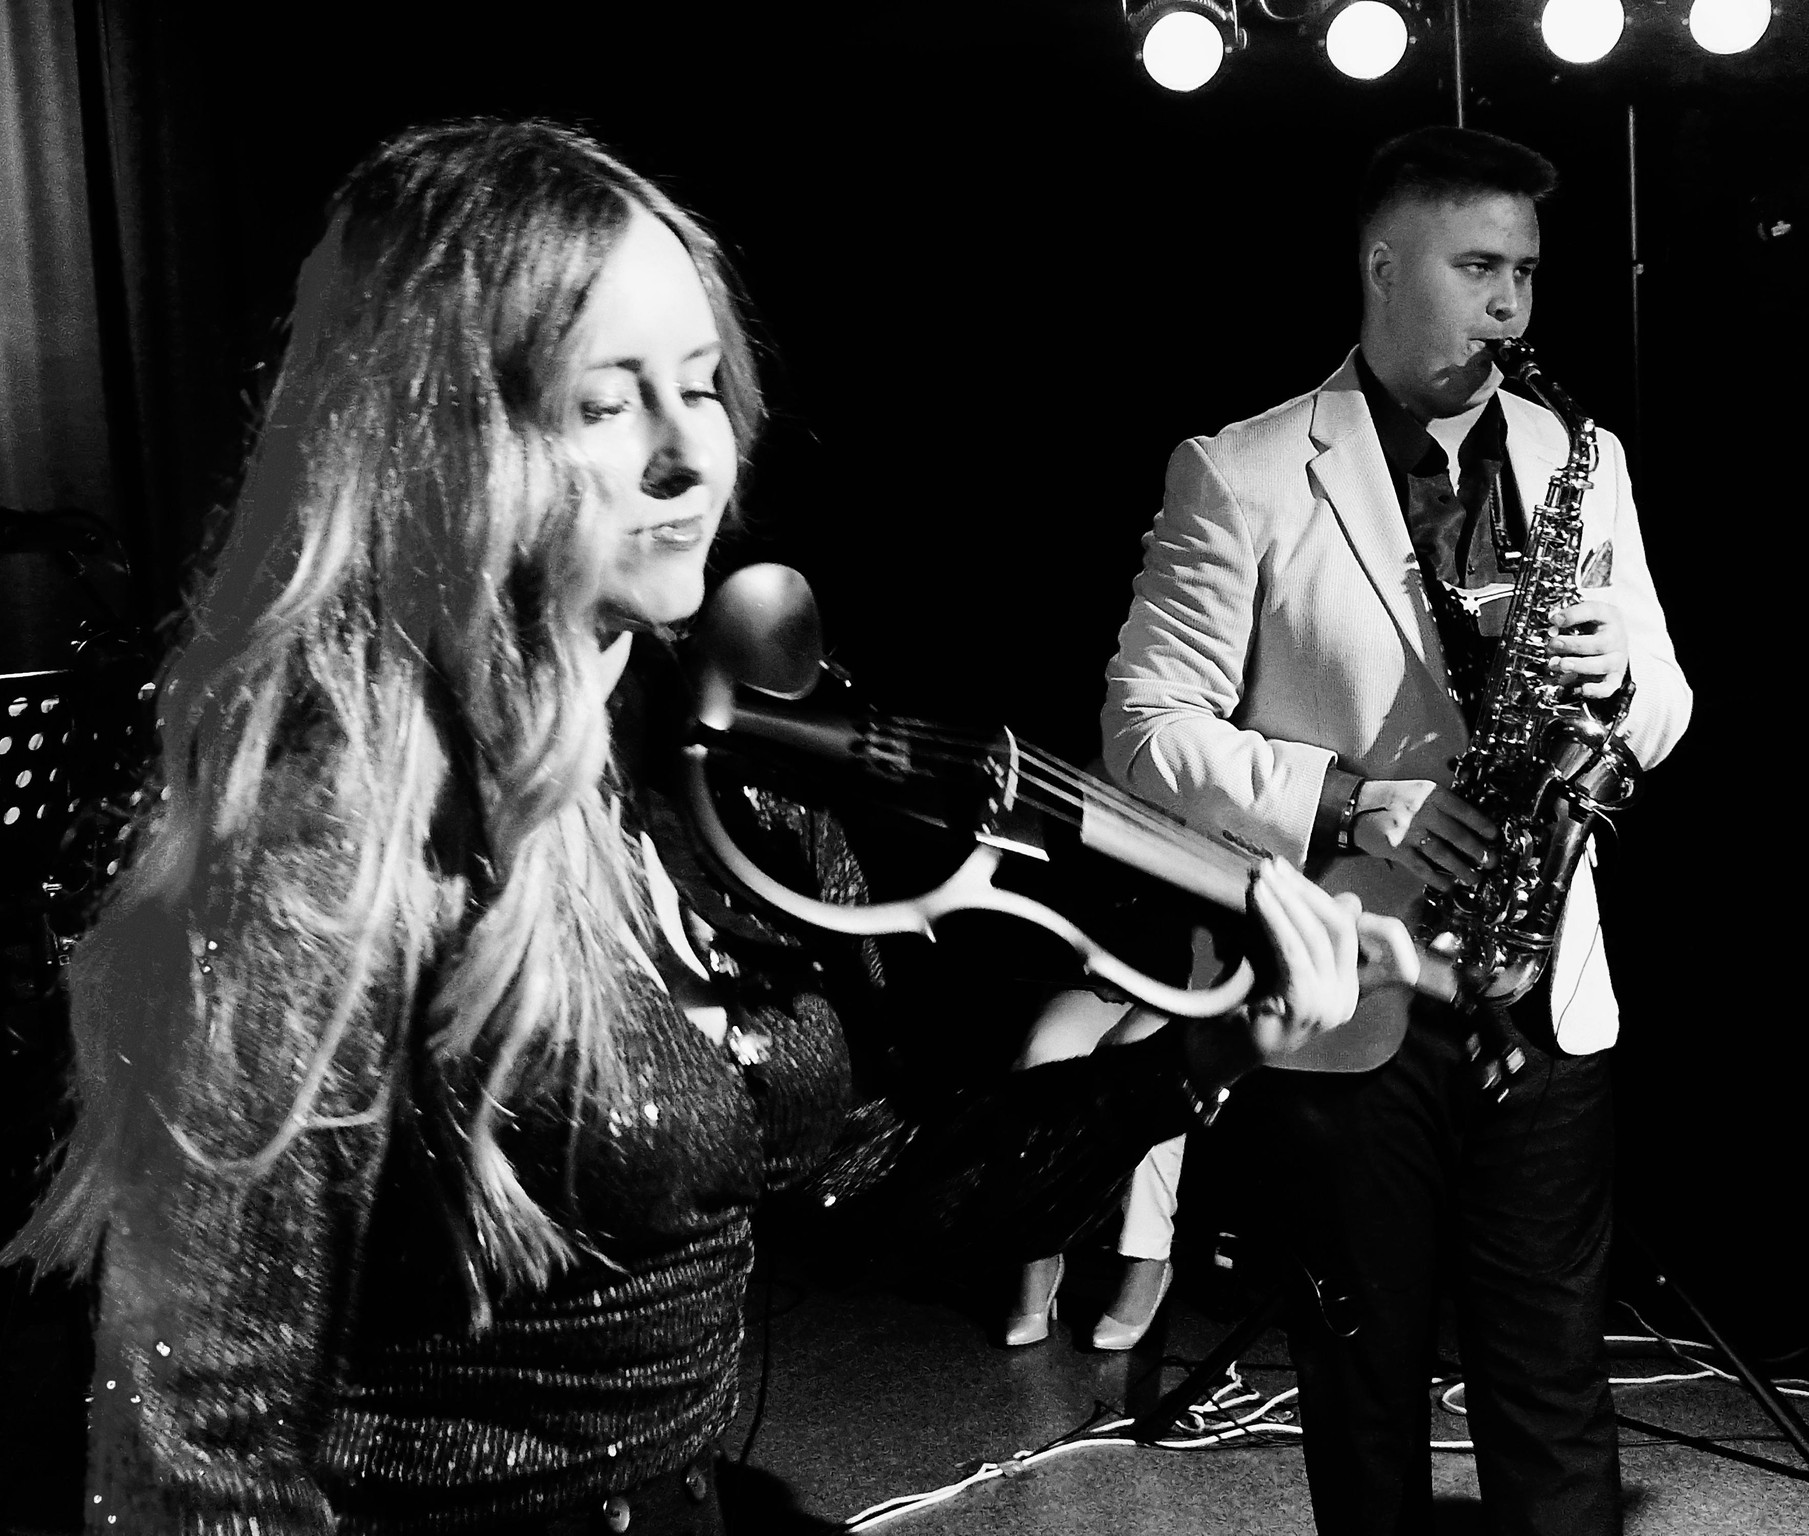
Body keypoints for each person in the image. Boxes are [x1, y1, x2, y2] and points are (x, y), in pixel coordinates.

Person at [4, 119, 1430, 1535]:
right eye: (605, 402)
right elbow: (199, 1458)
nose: (694, 453)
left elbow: (889, 1200)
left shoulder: (726, 786)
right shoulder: (314, 854)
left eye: (700, 386)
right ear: (438, 439)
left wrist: (1212, 1048)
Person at [1100, 125, 1692, 1535]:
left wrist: (1623, 673)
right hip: (1351, 992)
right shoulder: (1241, 470)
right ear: (1381, 266)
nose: (1510, 306)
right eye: (1476, 268)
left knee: (1554, 1382)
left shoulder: (1580, 457)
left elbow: (1667, 705)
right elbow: (1142, 729)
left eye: (1525, 273)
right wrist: (1349, 798)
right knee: (1361, 1389)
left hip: (1538, 987)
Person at [1001, 990, 1183, 1352]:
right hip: (1104, 983)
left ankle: (1147, 1255)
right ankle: (1038, 1248)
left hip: (1188, 995)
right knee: (1045, 1053)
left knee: (1153, 1068)